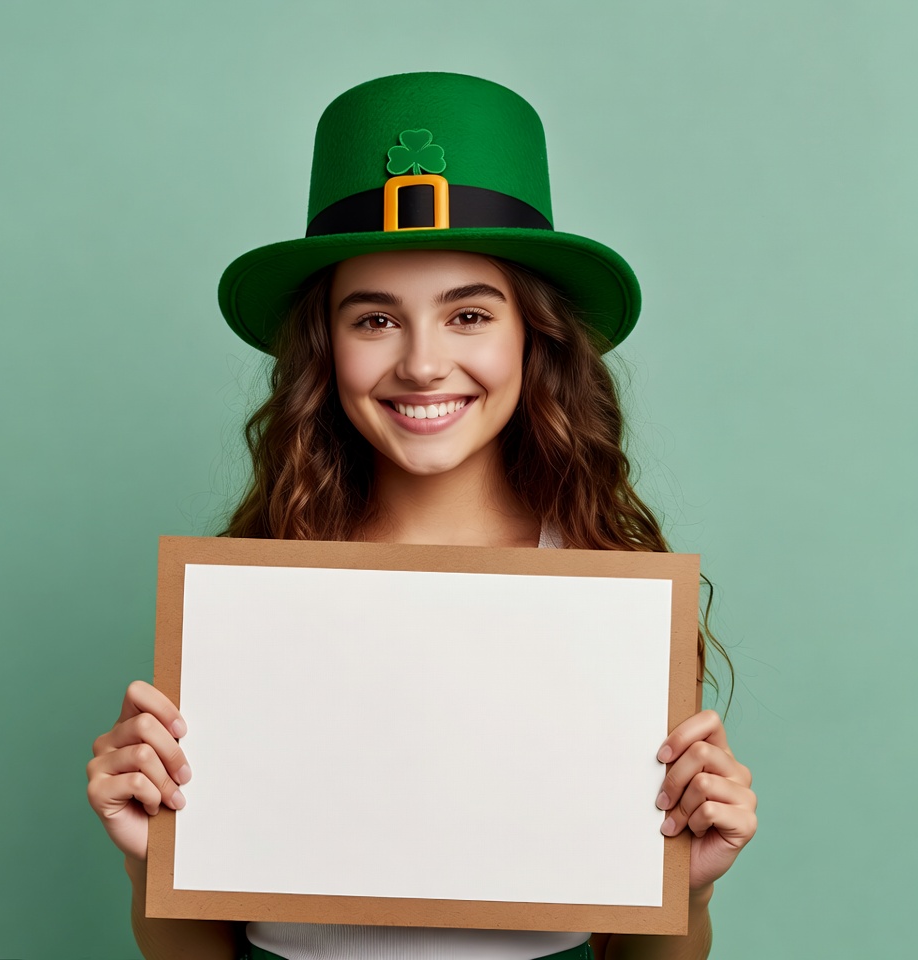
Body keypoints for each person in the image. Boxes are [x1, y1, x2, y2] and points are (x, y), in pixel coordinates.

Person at [86, 72, 757, 960]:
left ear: (534, 336)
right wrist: (151, 865)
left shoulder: (611, 603)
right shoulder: (245, 600)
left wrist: (692, 888)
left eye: (469, 313)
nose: (423, 363)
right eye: (375, 320)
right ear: (325, 348)